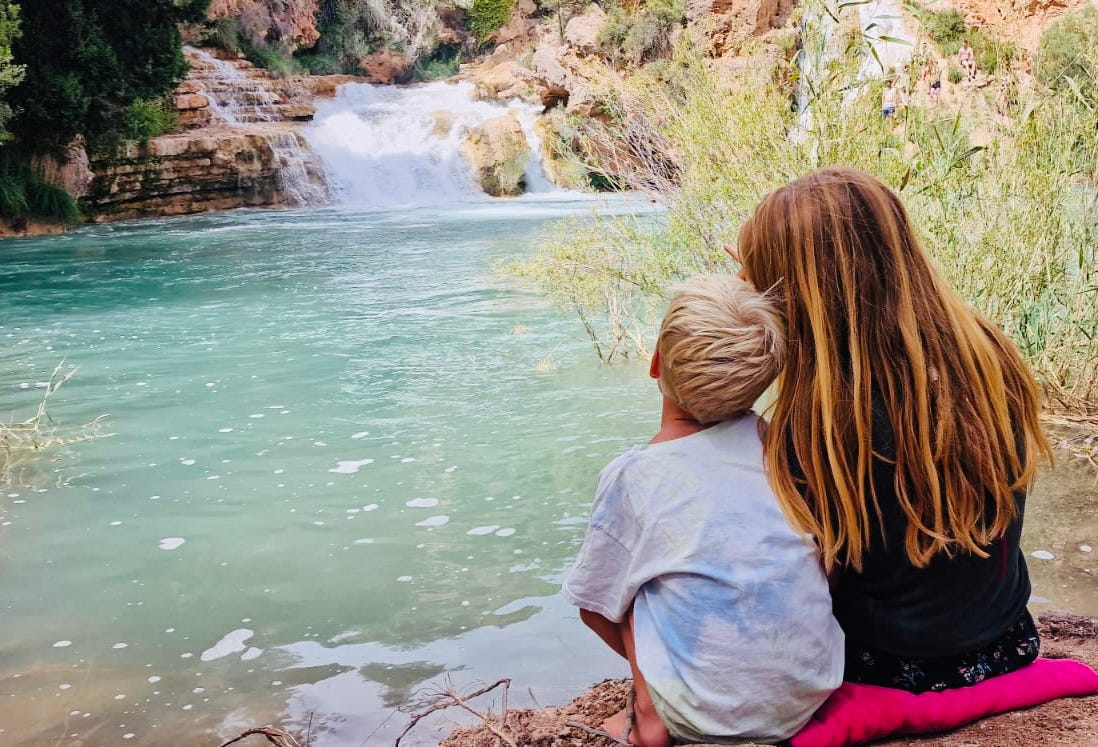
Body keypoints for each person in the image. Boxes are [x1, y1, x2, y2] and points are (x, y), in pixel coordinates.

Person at [733, 167, 1050, 694]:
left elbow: (805, 576)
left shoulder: (823, 418)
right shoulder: (988, 353)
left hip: (886, 666)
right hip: (1007, 641)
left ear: (797, 296)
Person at [563, 275, 844, 746]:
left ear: (655, 362)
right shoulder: (774, 444)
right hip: (808, 693)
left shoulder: (634, 477)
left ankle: (650, 711)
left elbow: (594, 609)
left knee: (623, 589)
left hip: (704, 722)